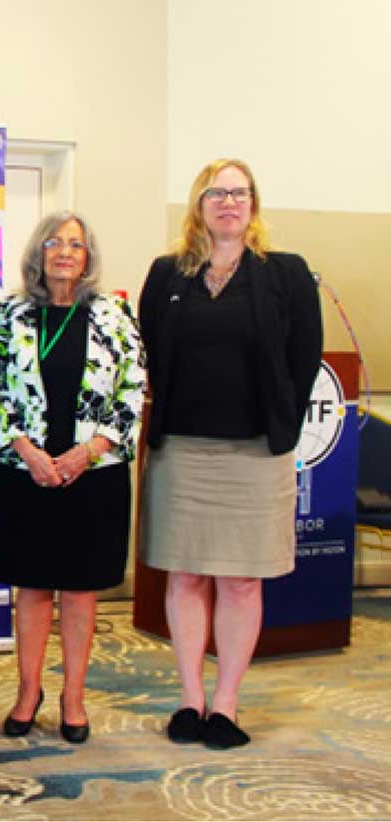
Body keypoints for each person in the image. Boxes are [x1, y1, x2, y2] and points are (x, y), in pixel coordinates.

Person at [140, 158, 322, 749]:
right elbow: (149, 356)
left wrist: (282, 433)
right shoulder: (167, 273)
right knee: (186, 574)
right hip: (183, 451)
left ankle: (226, 704)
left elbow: (304, 358)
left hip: (254, 453)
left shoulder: (286, 274)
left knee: (242, 582)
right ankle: (191, 699)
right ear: (199, 203)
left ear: (254, 204)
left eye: (239, 193)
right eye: (216, 193)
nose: (228, 202)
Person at [0, 212, 145, 744]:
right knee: (32, 587)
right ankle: (28, 692)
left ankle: (73, 698)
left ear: (89, 256)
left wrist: (88, 452)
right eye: (55, 242)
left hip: (92, 475)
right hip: (26, 472)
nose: (65, 252)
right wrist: (27, 450)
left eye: (77, 244)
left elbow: (133, 391)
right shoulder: (10, 313)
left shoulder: (114, 313)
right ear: (39, 253)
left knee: (79, 592)